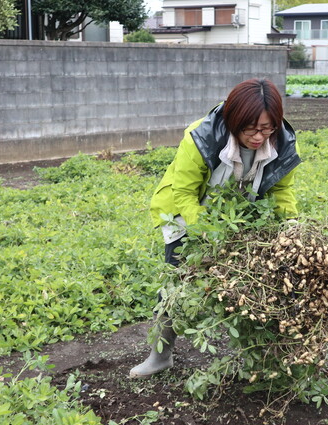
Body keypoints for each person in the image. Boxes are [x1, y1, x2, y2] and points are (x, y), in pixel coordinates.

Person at [129, 78, 302, 378]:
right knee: (176, 286)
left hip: (241, 219)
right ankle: (160, 356)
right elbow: (183, 193)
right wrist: (209, 233)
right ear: (235, 121)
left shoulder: (283, 141)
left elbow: (281, 192)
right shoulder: (202, 136)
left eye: (267, 128)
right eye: (251, 129)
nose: (260, 137)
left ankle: (258, 361)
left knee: (255, 288)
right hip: (187, 216)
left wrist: (294, 229)